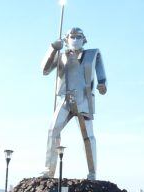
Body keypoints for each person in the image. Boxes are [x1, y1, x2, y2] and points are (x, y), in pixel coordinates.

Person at [41, 27, 107, 180]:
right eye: (72, 36)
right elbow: (45, 70)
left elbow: (101, 74)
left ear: (84, 39)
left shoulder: (92, 54)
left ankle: (92, 173)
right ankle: (48, 170)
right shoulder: (61, 55)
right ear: (66, 39)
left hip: (84, 100)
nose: (75, 39)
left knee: (88, 136)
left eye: (79, 37)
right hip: (65, 99)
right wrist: (52, 49)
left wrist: (102, 84)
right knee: (53, 130)